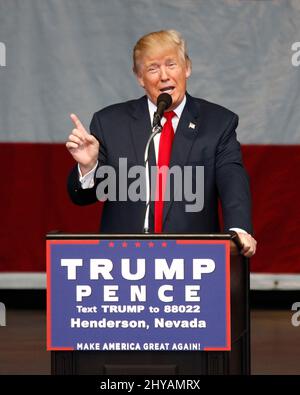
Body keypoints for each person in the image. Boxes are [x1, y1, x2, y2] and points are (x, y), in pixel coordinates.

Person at [66, 30, 257, 257]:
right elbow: (83, 197)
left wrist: (238, 231)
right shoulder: (109, 122)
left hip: (193, 260)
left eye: (171, 64)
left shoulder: (218, 123)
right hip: (123, 261)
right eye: (153, 68)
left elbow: (232, 182)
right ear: (139, 77)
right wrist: (89, 167)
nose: (164, 76)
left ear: (187, 68)